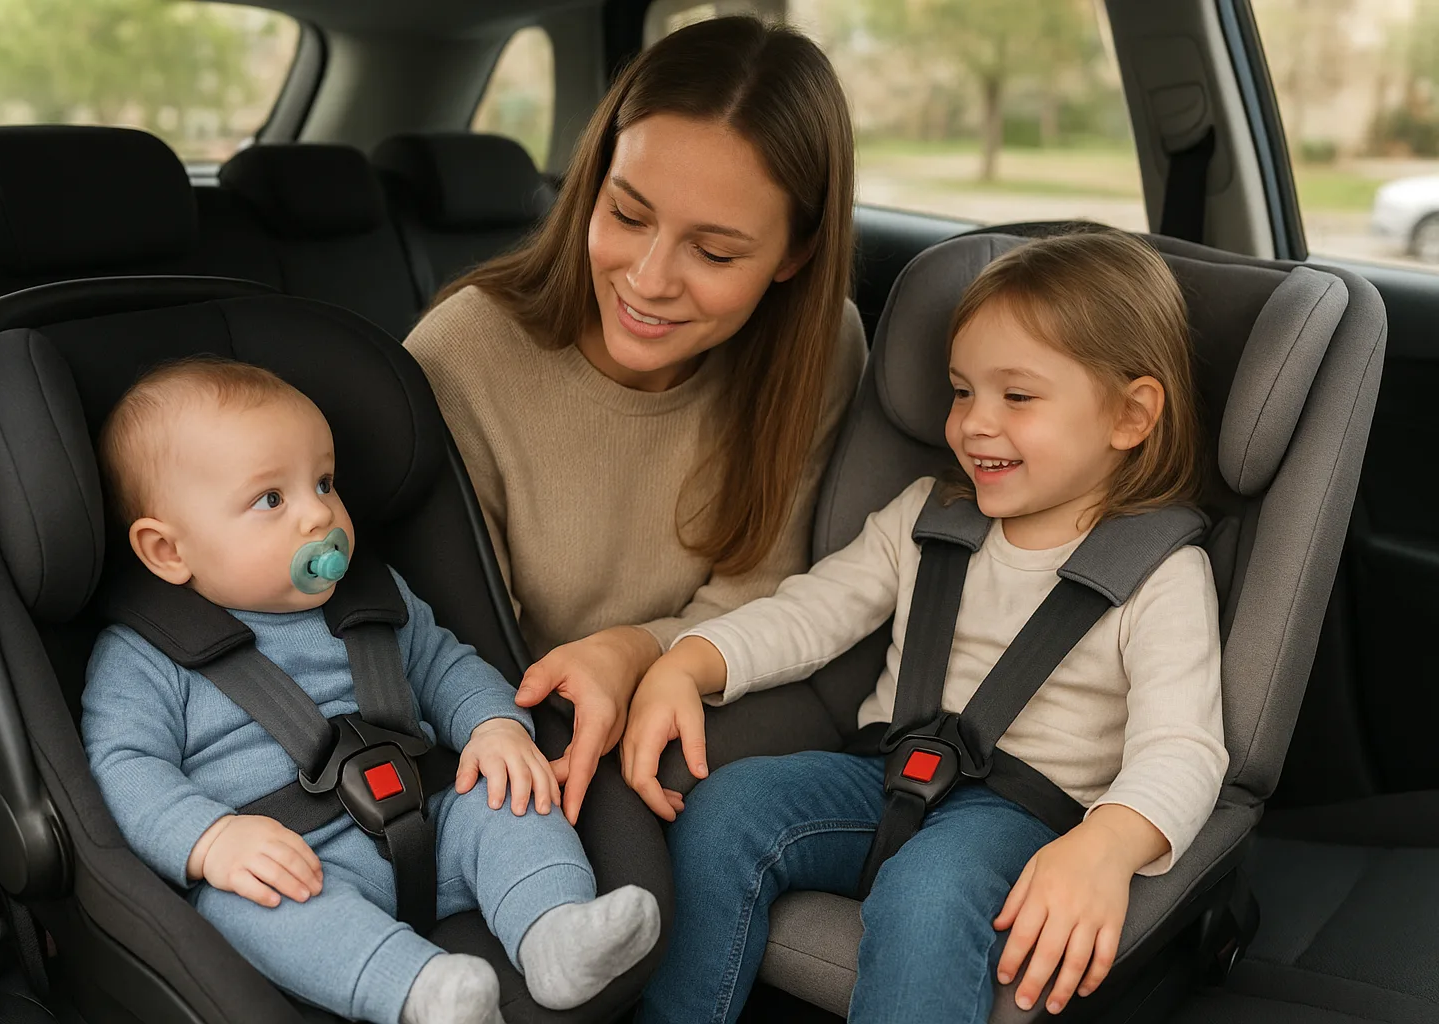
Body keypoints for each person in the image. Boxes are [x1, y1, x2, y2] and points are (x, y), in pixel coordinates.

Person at [624, 231, 1231, 1022]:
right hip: (878, 775)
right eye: (961, 391)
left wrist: (1106, 846)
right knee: (728, 810)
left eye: (1017, 397)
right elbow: (815, 610)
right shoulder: (927, 516)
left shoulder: (1160, 573)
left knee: (929, 894)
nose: (975, 424)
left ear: (1130, 414)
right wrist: (690, 660)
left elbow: (1183, 747)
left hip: (1023, 816)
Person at [81, 358, 660, 1024]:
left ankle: (556, 932)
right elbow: (123, 768)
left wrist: (494, 727)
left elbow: (447, 667)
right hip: (295, 861)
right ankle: (422, 993)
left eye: (323, 483)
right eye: (271, 499)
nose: (317, 515)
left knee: (511, 799)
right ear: (167, 552)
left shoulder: (373, 597)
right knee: (243, 907)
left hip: (435, 816)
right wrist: (212, 841)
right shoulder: (145, 655)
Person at [403, 15, 866, 824]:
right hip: (505, 733)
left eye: (714, 253)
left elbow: (764, 591)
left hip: (701, 689)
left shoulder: (821, 351)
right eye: (627, 214)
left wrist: (636, 651)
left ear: (794, 255)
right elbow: (453, 649)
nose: (649, 280)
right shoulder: (462, 354)